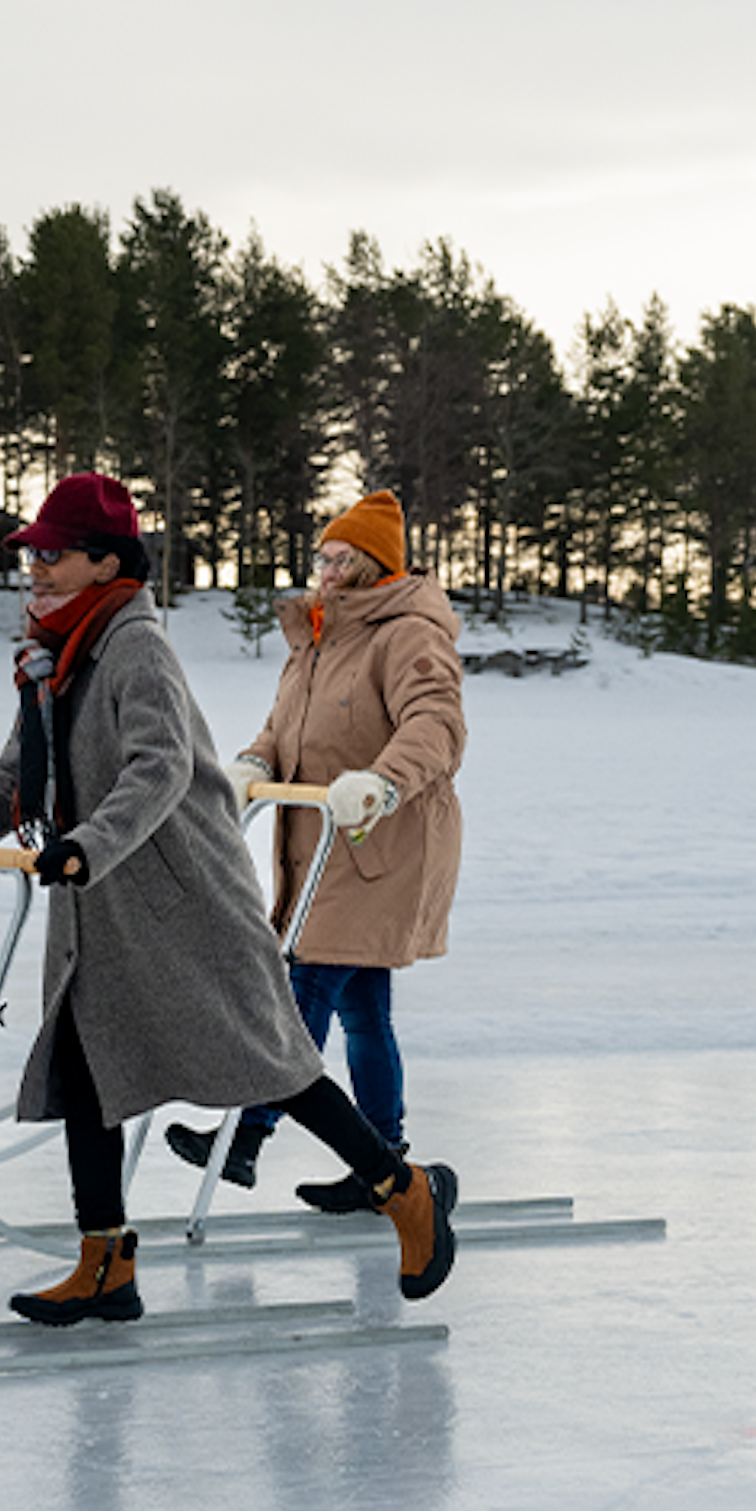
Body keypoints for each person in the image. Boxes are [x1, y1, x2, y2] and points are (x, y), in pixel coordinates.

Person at [0, 471, 456, 1325]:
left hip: (181, 896)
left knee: (272, 1062)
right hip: (98, 895)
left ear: (103, 560)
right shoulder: (57, 652)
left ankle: (401, 1189)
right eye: (33, 555)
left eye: (53, 554)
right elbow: (20, 768)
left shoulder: (134, 647)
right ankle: (105, 1264)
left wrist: (88, 845)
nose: (36, 569)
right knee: (86, 1070)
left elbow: (156, 770)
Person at [169, 487, 465, 1207]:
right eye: (321, 557)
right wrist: (254, 763)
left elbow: (437, 723)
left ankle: (245, 1136)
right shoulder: (316, 636)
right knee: (364, 1008)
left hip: (379, 842)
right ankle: (385, 1164)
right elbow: (285, 729)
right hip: (316, 844)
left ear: (370, 564)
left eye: (339, 558)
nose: (324, 570)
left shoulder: (407, 633)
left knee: (299, 989)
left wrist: (382, 783)